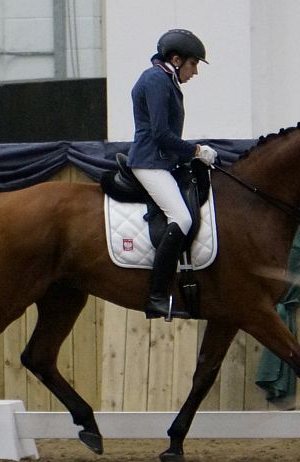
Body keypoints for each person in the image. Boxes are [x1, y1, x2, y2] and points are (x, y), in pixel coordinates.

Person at [128, 29, 217, 319]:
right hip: (149, 161)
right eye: (193, 64)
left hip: (162, 160)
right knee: (182, 217)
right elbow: (160, 133)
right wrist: (195, 151)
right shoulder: (155, 80)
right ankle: (155, 297)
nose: (195, 72)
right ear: (176, 59)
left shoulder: (165, 80)